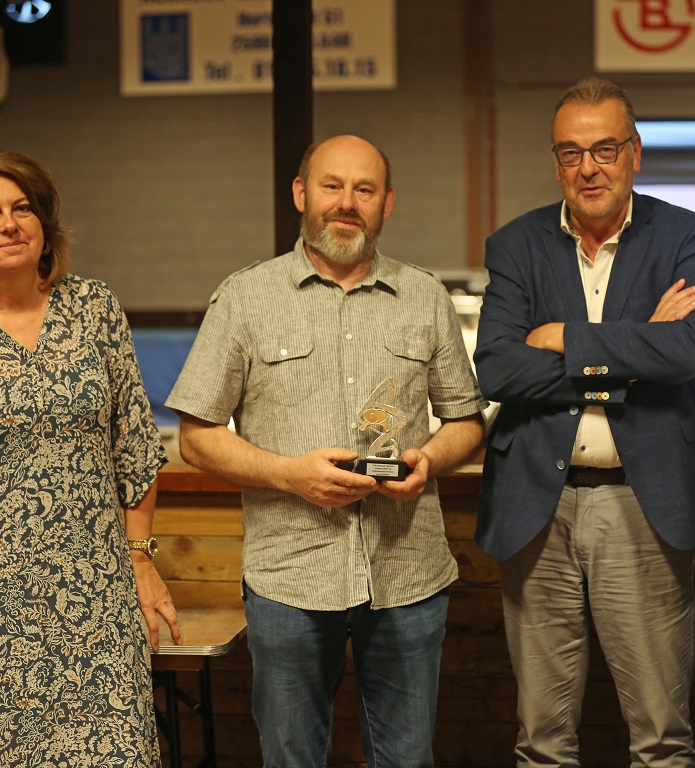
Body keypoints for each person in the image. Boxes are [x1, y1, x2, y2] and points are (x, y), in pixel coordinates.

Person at [165, 134, 487, 767]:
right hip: (290, 578)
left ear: (386, 202)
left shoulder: (424, 296)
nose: (347, 203)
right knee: (292, 760)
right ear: (301, 194)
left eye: (364, 189)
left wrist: (429, 460)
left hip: (407, 575)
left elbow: (467, 423)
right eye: (332, 186)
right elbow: (196, 438)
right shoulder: (245, 297)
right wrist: (290, 475)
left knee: (407, 760)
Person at [0, 149, 180, 766]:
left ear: (44, 224)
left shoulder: (95, 309)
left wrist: (141, 559)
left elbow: (136, 452)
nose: (9, 224)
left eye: (22, 208)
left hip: (96, 606)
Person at [474, 77, 695, 767]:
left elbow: (687, 349)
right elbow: (498, 370)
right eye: (571, 152)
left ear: (634, 153)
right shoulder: (515, 245)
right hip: (538, 505)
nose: (589, 167)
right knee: (541, 741)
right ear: (557, 162)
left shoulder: (684, 234)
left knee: (661, 739)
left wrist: (563, 338)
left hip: (645, 504)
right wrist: (634, 349)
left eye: (605, 149)